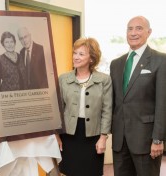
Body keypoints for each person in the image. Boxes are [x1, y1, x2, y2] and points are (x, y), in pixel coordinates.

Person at [110, 16, 166, 176]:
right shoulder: (116, 64)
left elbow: (163, 103)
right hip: (120, 141)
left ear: (149, 32)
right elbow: (114, 102)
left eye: (139, 28)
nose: (133, 33)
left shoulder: (161, 60)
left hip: (146, 141)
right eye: (130, 28)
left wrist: (158, 139)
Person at [57, 37, 112, 176]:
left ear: (92, 58)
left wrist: (103, 137)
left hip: (93, 135)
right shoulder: (63, 79)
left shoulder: (104, 80)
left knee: (91, 171)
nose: (76, 57)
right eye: (75, 53)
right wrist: (56, 135)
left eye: (81, 54)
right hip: (68, 135)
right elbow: (58, 109)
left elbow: (107, 110)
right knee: (68, 171)